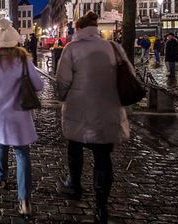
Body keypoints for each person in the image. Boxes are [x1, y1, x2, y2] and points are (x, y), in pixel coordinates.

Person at [56, 11, 131, 224]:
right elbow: (129, 75)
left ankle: (75, 184)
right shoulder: (112, 48)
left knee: (75, 147)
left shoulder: (72, 49)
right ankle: (100, 206)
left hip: (78, 109)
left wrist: (63, 97)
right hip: (106, 110)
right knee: (103, 157)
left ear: (78, 29)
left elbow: (62, 82)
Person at [0, 17, 43, 218]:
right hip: (20, 113)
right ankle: (24, 200)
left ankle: (1, 178)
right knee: (22, 153)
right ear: (16, 41)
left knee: (1, 143)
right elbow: (39, 85)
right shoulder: (24, 62)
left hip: (0, 112)